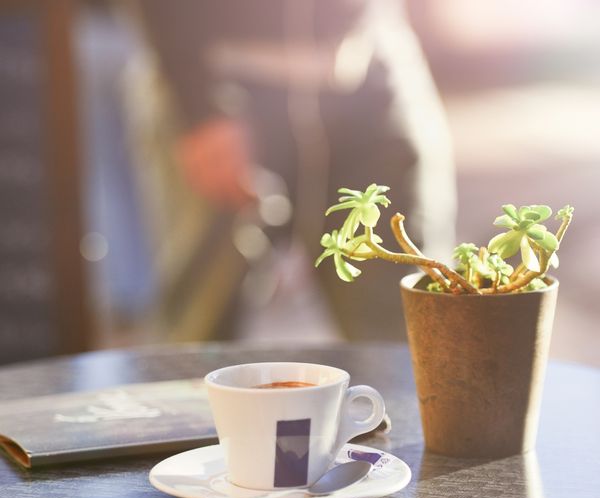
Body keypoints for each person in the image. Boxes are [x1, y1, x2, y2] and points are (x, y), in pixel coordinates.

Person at [135, 0, 457, 341]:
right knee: (204, 320)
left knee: (407, 318)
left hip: (368, 58)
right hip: (218, 71)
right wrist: (198, 105)